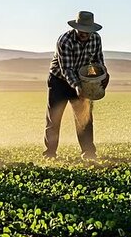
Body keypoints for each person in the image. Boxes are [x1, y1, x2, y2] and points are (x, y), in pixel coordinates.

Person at [43, 11, 109, 160]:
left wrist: (103, 74)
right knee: (54, 117)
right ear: (76, 27)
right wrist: (77, 87)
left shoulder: (96, 39)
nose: (85, 33)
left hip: (82, 79)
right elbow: (67, 69)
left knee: (85, 116)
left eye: (88, 31)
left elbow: (98, 60)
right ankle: (50, 153)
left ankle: (88, 152)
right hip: (59, 80)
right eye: (82, 30)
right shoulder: (65, 40)